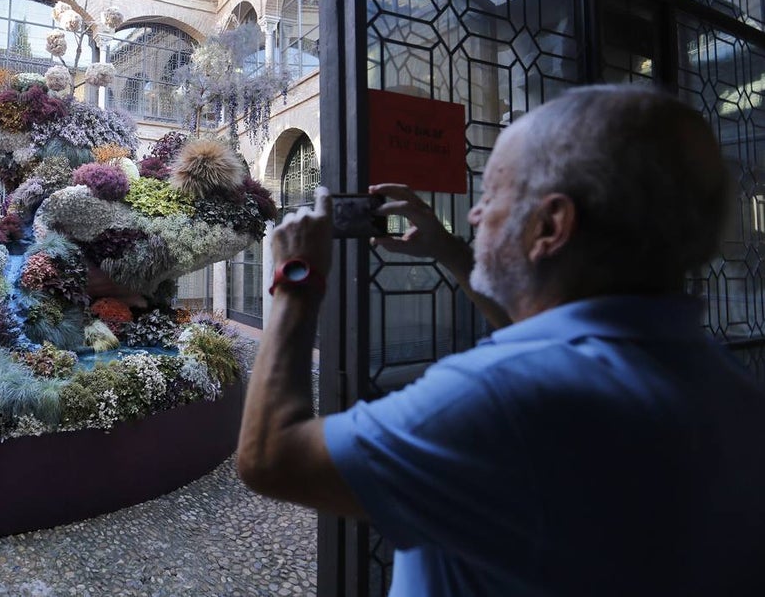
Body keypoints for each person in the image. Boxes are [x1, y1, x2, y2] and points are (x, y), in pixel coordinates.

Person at [237, 84, 765, 596]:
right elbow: (547, 340)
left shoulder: (501, 399)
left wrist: (296, 279)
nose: (474, 213)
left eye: (491, 195)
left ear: (551, 225)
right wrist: (448, 249)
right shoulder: (732, 393)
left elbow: (271, 457)